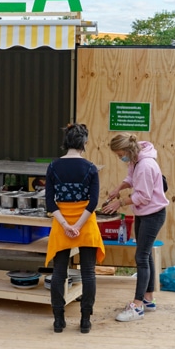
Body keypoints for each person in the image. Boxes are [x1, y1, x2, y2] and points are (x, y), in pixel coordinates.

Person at [101, 133, 170, 322]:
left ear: (127, 150)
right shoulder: (136, 159)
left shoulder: (146, 166)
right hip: (144, 214)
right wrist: (118, 188)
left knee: (141, 257)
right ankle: (148, 300)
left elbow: (143, 196)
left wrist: (119, 202)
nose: (119, 158)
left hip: (153, 215)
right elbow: (131, 177)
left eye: (119, 154)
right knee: (145, 255)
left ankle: (137, 306)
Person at [45, 123, 105, 334]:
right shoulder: (90, 168)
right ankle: (85, 321)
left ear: (66, 142)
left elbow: (50, 203)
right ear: (84, 143)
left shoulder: (53, 167)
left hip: (61, 223)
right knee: (88, 273)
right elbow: (93, 202)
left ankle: (58, 321)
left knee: (59, 272)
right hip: (85, 224)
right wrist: (78, 225)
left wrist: (66, 225)